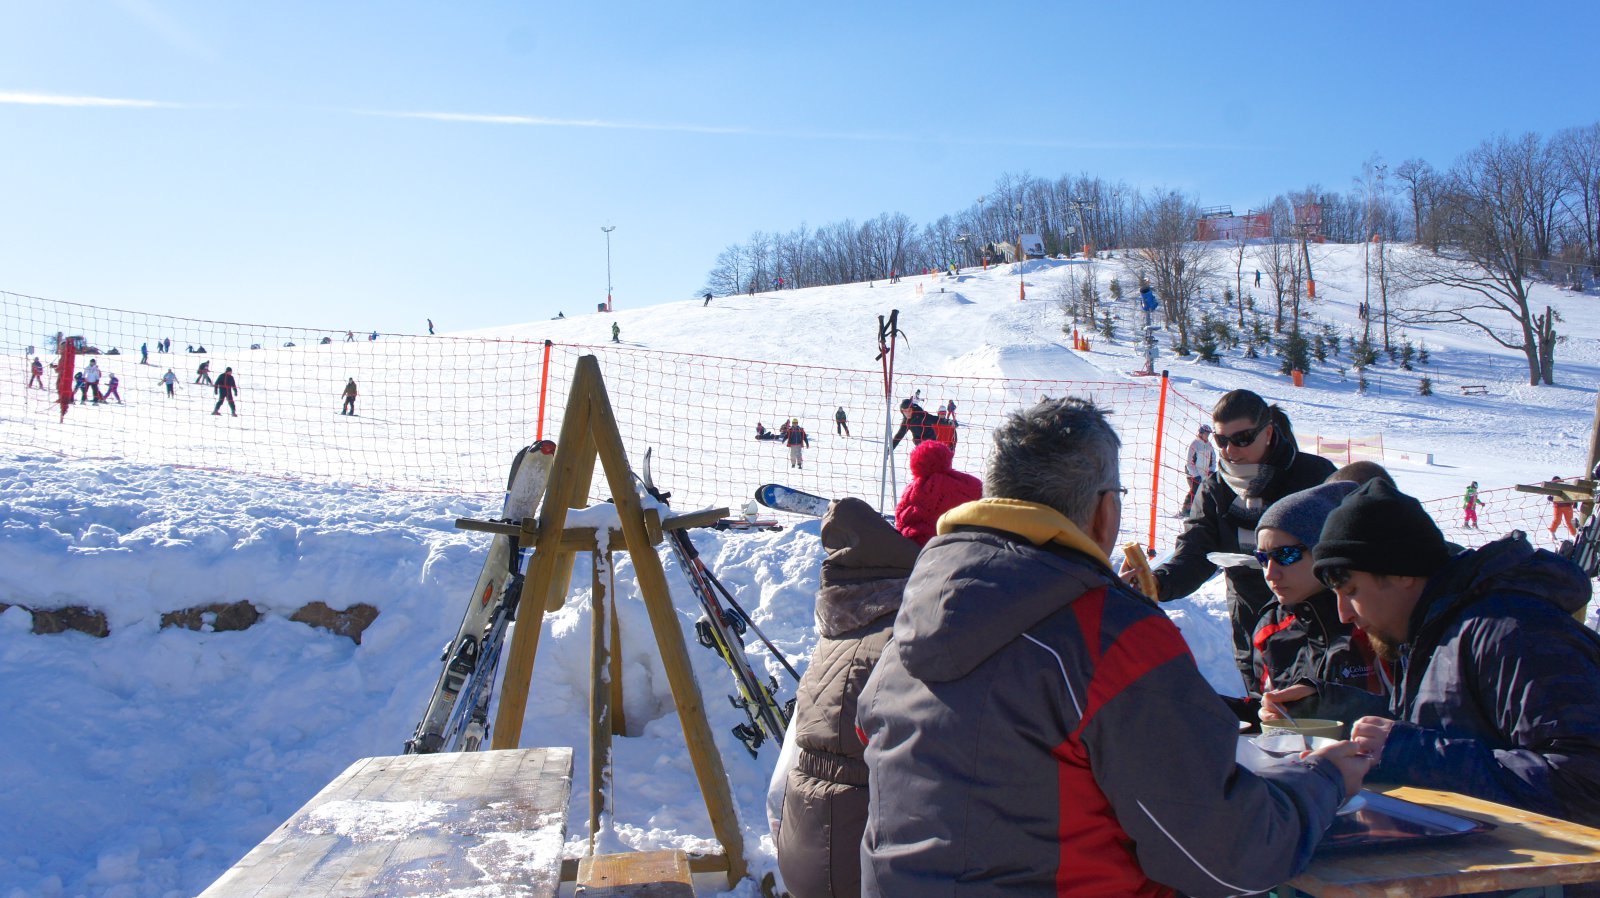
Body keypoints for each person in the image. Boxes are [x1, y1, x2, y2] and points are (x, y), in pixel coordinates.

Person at [858, 397, 1367, 896]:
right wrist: (1322, 782)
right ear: (1105, 511)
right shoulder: (1110, 637)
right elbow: (1232, 853)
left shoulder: (912, 622)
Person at [1267, 478, 1600, 825]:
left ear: (1402, 574)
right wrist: (1331, 708)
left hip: (1553, 877)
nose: (1343, 614)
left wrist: (1410, 752)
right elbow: (1451, 726)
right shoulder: (1436, 630)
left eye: (1351, 590)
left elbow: (1584, 784)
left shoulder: (1513, 632)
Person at [1127, 389, 1336, 707]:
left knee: (1324, 714)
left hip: (1321, 624)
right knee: (1267, 711)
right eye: (1221, 440)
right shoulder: (1215, 489)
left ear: (1267, 432)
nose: (1229, 450)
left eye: (1242, 438)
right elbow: (1194, 553)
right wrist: (1157, 582)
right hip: (1253, 623)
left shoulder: (1315, 477)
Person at [1248, 481, 1384, 699]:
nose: (1270, 573)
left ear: (1322, 553)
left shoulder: (1372, 621)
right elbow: (1266, 705)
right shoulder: (1271, 629)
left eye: (1286, 555)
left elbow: (1409, 713)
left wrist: (1321, 702)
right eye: (1262, 558)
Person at [892, 440, 981, 546]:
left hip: (916, 551)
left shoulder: (912, 491)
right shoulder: (967, 483)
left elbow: (902, 521)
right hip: (964, 547)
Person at [1181, 423, 1216, 516]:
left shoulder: (1209, 445)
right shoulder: (1194, 444)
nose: (1207, 435)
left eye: (1209, 434)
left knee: (1201, 491)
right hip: (1193, 474)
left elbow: (1213, 459)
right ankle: (1186, 510)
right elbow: (1189, 461)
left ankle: (1196, 510)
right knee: (1195, 491)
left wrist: (1211, 470)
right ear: (1200, 433)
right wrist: (1195, 475)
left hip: (1204, 474)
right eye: (1206, 433)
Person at [1550, 476, 1578, 541]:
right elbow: (1551, 495)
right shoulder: (1552, 488)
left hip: (1567, 506)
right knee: (1557, 520)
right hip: (1558, 506)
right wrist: (1551, 498)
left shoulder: (1565, 486)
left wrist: (1574, 502)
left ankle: (1574, 534)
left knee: (1569, 521)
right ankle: (1552, 532)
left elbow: (1572, 494)